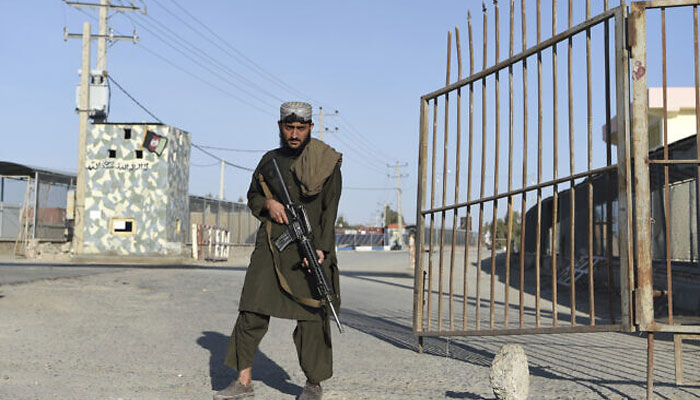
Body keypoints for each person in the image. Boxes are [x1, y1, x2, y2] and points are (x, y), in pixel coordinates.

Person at [214, 101, 342, 400]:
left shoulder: (326, 162)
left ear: (311, 127)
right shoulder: (269, 160)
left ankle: (313, 384)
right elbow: (253, 195)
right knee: (252, 310)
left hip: (310, 246)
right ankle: (243, 381)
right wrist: (268, 205)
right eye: (289, 127)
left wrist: (321, 250)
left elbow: (329, 210)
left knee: (312, 315)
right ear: (280, 127)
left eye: (300, 128)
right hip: (272, 245)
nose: (294, 134)